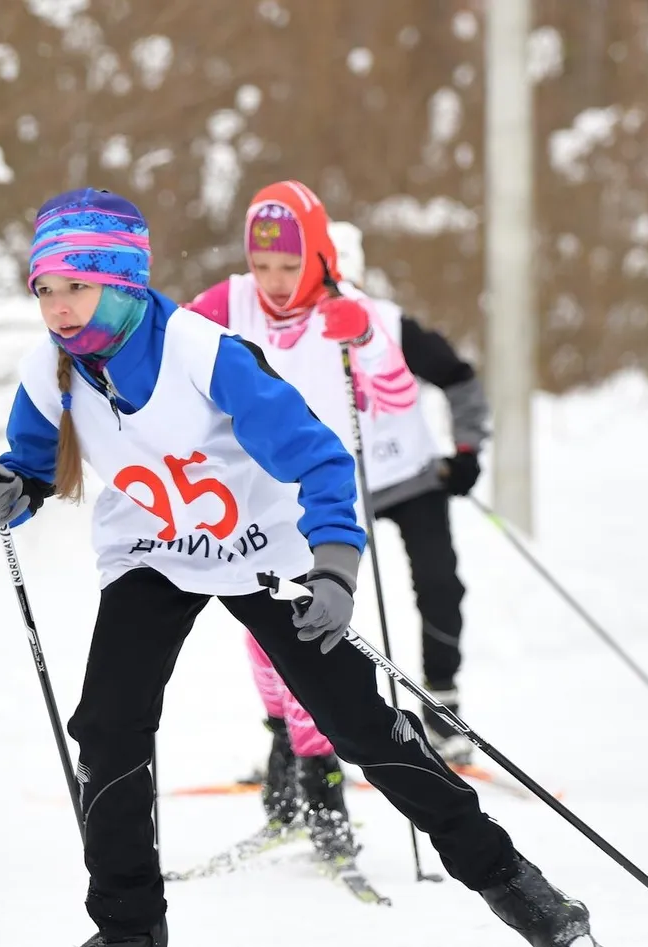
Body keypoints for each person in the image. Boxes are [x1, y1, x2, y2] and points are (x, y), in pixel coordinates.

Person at [0, 186, 593, 947]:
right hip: (151, 553)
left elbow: (320, 457)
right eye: (46, 290)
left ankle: (521, 893)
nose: (60, 307)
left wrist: (333, 568)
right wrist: (3, 494)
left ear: (124, 281)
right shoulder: (50, 369)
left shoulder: (204, 353)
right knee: (107, 726)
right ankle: (129, 930)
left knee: (362, 727)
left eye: (78, 286)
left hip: (264, 553)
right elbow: (30, 466)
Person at [188, 181, 491, 812]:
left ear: (326, 257)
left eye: (290, 265)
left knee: (425, 586)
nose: (273, 280)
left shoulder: (363, 312)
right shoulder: (229, 301)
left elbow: (408, 394)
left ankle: (422, 717)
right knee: (269, 633)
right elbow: (173, 348)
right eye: (262, 264)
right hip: (275, 492)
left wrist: (369, 344)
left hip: (387, 479)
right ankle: (286, 752)